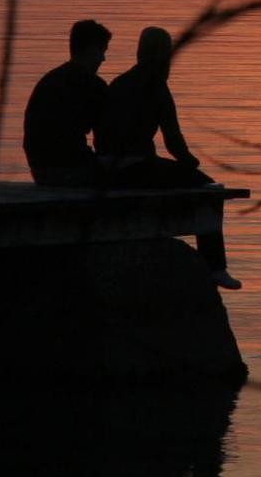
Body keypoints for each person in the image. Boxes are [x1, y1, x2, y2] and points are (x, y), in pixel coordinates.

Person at [97, 26, 242, 290]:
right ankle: (216, 267)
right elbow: (173, 141)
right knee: (209, 190)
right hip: (134, 167)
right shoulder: (157, 86)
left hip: (106, 167)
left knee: (174, 176)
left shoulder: (119, 82)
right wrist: (192, 164)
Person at [23, 19, 112, 186]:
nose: (103, 59)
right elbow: (105, 138)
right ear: (92, 50)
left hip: (40, 171)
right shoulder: (93, 85)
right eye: (102, 51)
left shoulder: (49, 80)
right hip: (70, 170)